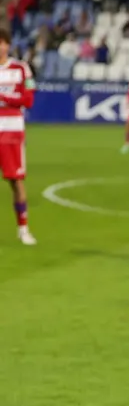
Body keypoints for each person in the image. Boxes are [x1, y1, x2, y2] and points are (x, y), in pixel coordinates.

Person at [0, 28, 36, 245]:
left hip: (12, 129)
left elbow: (28, 100)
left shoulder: (21, 68)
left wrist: (3, 97)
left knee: (15, 180)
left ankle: (23, 229)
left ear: (8, 45)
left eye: (2, 43)